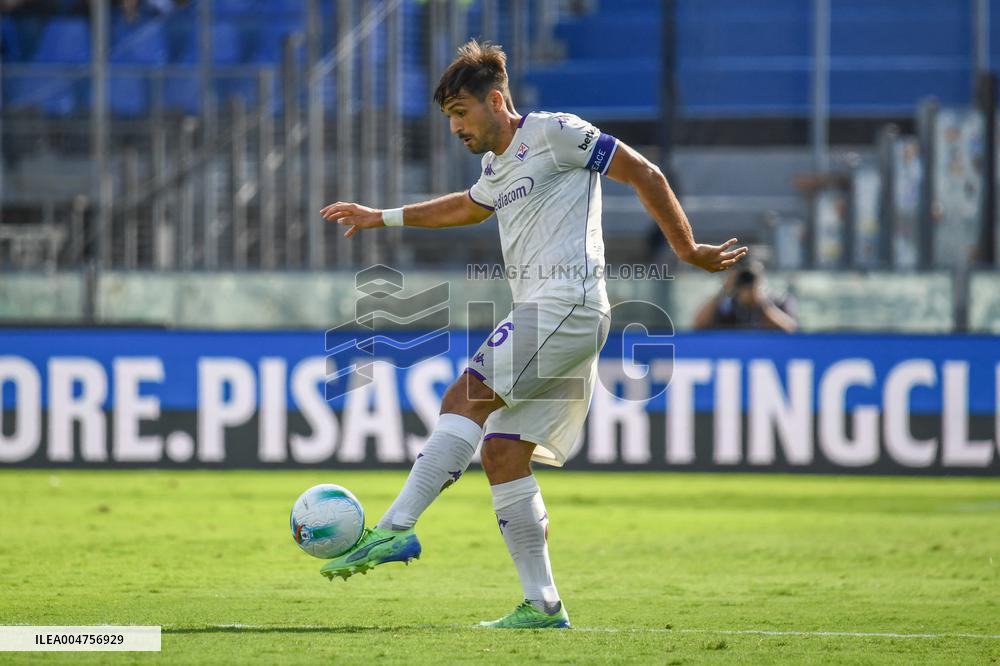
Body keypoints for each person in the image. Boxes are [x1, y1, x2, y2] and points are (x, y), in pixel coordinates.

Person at [317, 39, 748, 629]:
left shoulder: (555, 132)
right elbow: (467, 207)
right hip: (554, 315)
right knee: (501, 450)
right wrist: (381, 216)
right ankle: (543, 604)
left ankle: (393, 530)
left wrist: (687, 249)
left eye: (461, 114)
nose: (455, 130)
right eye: (449, 119)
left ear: (496, 100)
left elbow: (642, 172)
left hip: (564, 305)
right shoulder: (497, 167)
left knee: (463, 398)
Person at [692, 260, 797, 332]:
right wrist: (724, 289)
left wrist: (762, 303)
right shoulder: (726, 303)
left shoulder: (778, 299)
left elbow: (790, 329)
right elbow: (699, 325)